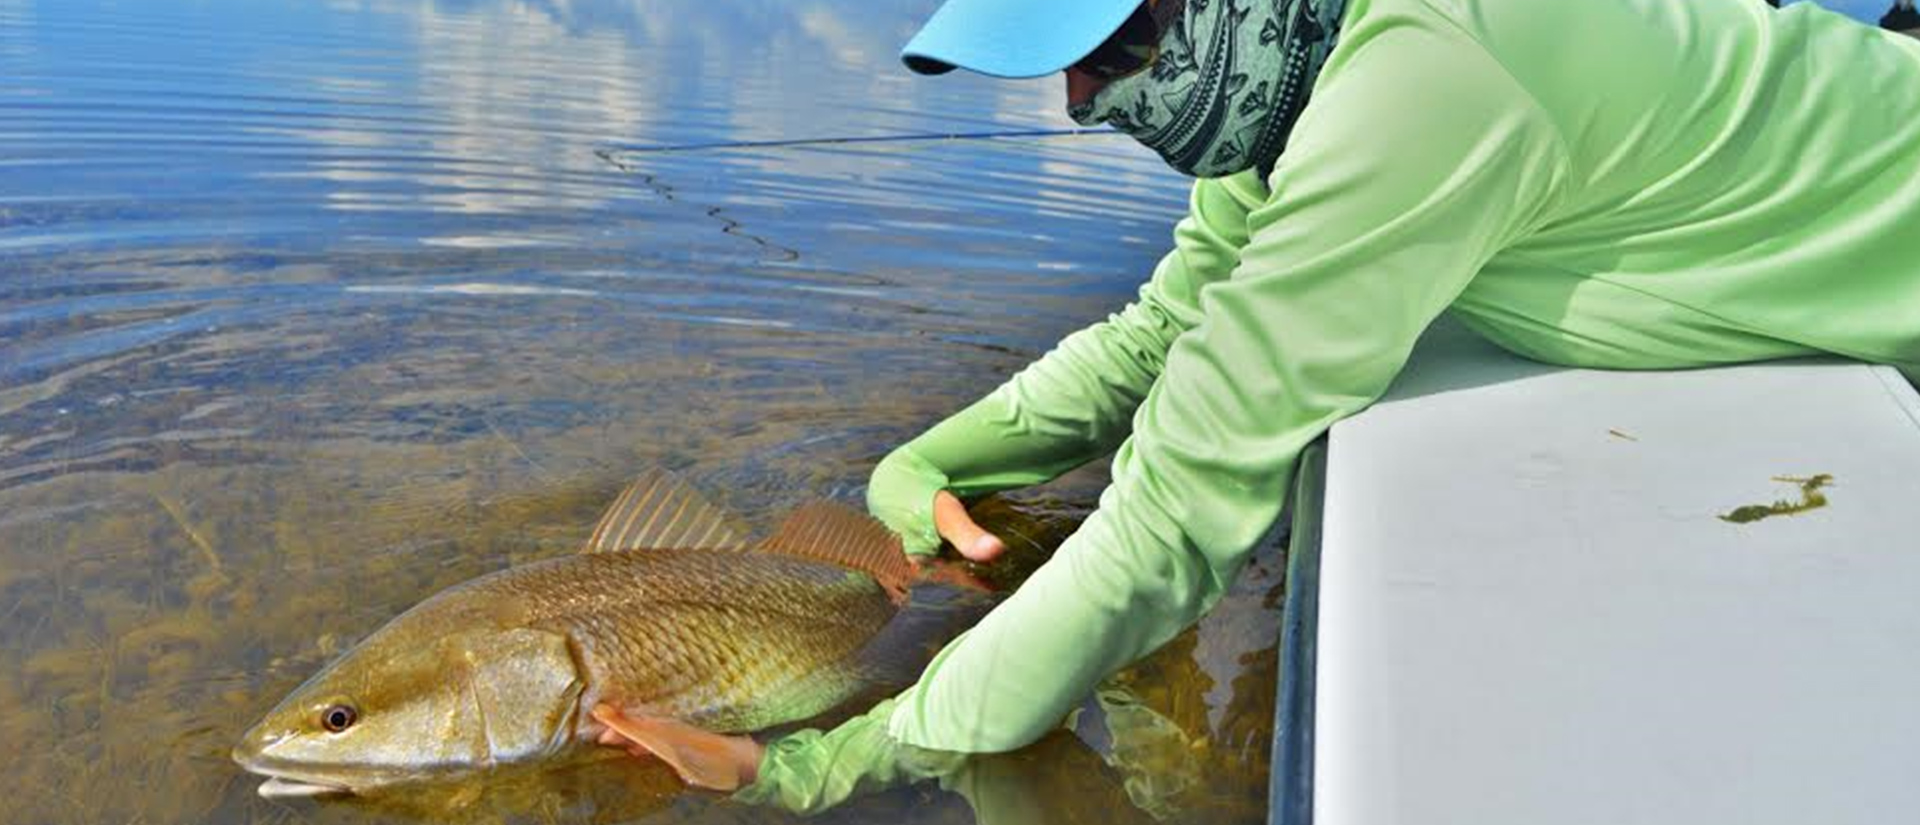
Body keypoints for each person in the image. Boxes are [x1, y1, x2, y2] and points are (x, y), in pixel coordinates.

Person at [592, 0, 1920, 812]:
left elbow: (1174, 519)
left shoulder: (1420, 90)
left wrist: (820, 765)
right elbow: (1165, 332)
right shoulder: (1313, 75)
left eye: (1113, 45)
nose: (1078, 103)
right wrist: (927, 458)